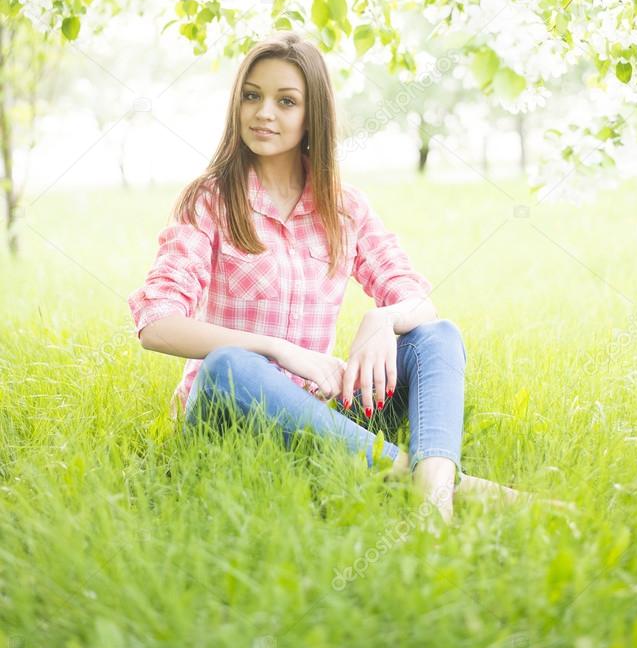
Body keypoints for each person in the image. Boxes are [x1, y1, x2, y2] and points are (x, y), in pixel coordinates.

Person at [128, 31, 565, 526]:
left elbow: (417, 299)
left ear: (312, 114)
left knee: (436, 336)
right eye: (252, 96)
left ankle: (433, 507)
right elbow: (156, 323)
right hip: (234, 407)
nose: (263, 112)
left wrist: (382, 318)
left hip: (320, 408)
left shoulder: (343, 206)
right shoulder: (209, 199)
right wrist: (278, 349)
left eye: (285, 101)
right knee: (230, 364)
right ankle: (433, 480)